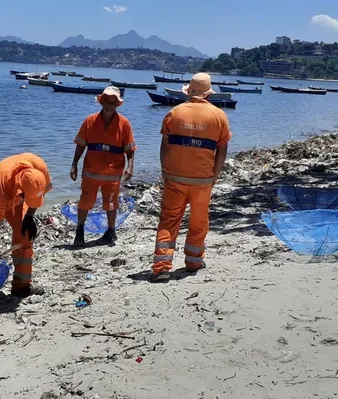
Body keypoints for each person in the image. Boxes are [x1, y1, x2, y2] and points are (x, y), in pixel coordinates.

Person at [150, 73, 231, 283]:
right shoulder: (219, 116)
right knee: (199, 221)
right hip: (202, 180)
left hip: (175, 177)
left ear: (189, 92)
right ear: (208, 94)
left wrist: (164, 171)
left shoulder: (174, 113)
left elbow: (164, 147)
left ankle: (161, 267)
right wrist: (215, 175)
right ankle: (194, 261)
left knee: (169, 220)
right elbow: (222, 150)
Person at [0, 153, 52, 298]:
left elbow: (40, 193)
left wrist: (29, 216)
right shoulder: (0, 184)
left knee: (25, 235)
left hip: (17, 198)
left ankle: (22, 286)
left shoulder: (40, 168)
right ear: (21, 188)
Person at [70, 86, 136, 247]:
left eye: (113, 102)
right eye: (107, 101)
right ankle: (80, 231)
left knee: (111, 202)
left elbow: (130, 149)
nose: (109, 105)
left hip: (113, 172)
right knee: (85, 201)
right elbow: (80, 145)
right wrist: (74, 164)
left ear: (117, 104)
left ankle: (111, 231)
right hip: (91, 170)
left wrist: (130, 167)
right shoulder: (90, 120)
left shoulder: (124, 123)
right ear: (102, 102)